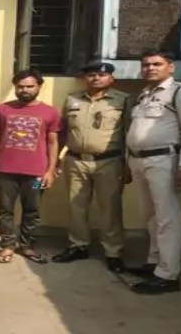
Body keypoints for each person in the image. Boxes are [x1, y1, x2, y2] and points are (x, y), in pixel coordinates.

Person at [125, 50, 181, 294]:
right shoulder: (144, 95)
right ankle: (155, 263)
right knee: (150, 215)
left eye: (157, 64)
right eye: (146, 64)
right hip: (140, 160)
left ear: (171, 67)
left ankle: (168, 275)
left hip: (164, 160)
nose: (150, 68)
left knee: (168, 218)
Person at [51, 61, 133, 271]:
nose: (96, 78)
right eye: (91, 75)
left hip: (109, 161)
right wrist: (55, 159)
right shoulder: (72, 99)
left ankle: (113, 252)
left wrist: (128, 163)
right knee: (76, 206)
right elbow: (63, 131)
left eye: (101, 75)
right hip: (75, 160)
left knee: (110, 208)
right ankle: (78, 245)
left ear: (111, 78)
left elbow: (129, 134)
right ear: (84, 78)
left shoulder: (122, 100)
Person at [0, 69, 60, 265]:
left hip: (36, 174)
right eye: (20, 86)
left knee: (32, 210)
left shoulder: (50, 112)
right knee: (5, 210)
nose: (25, 90)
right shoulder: (2, 109)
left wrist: (50, 171)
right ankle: (7, 245)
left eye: (29, 86)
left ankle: (26, 246)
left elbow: (53, 142)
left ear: (39, 87)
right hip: (5, 172)